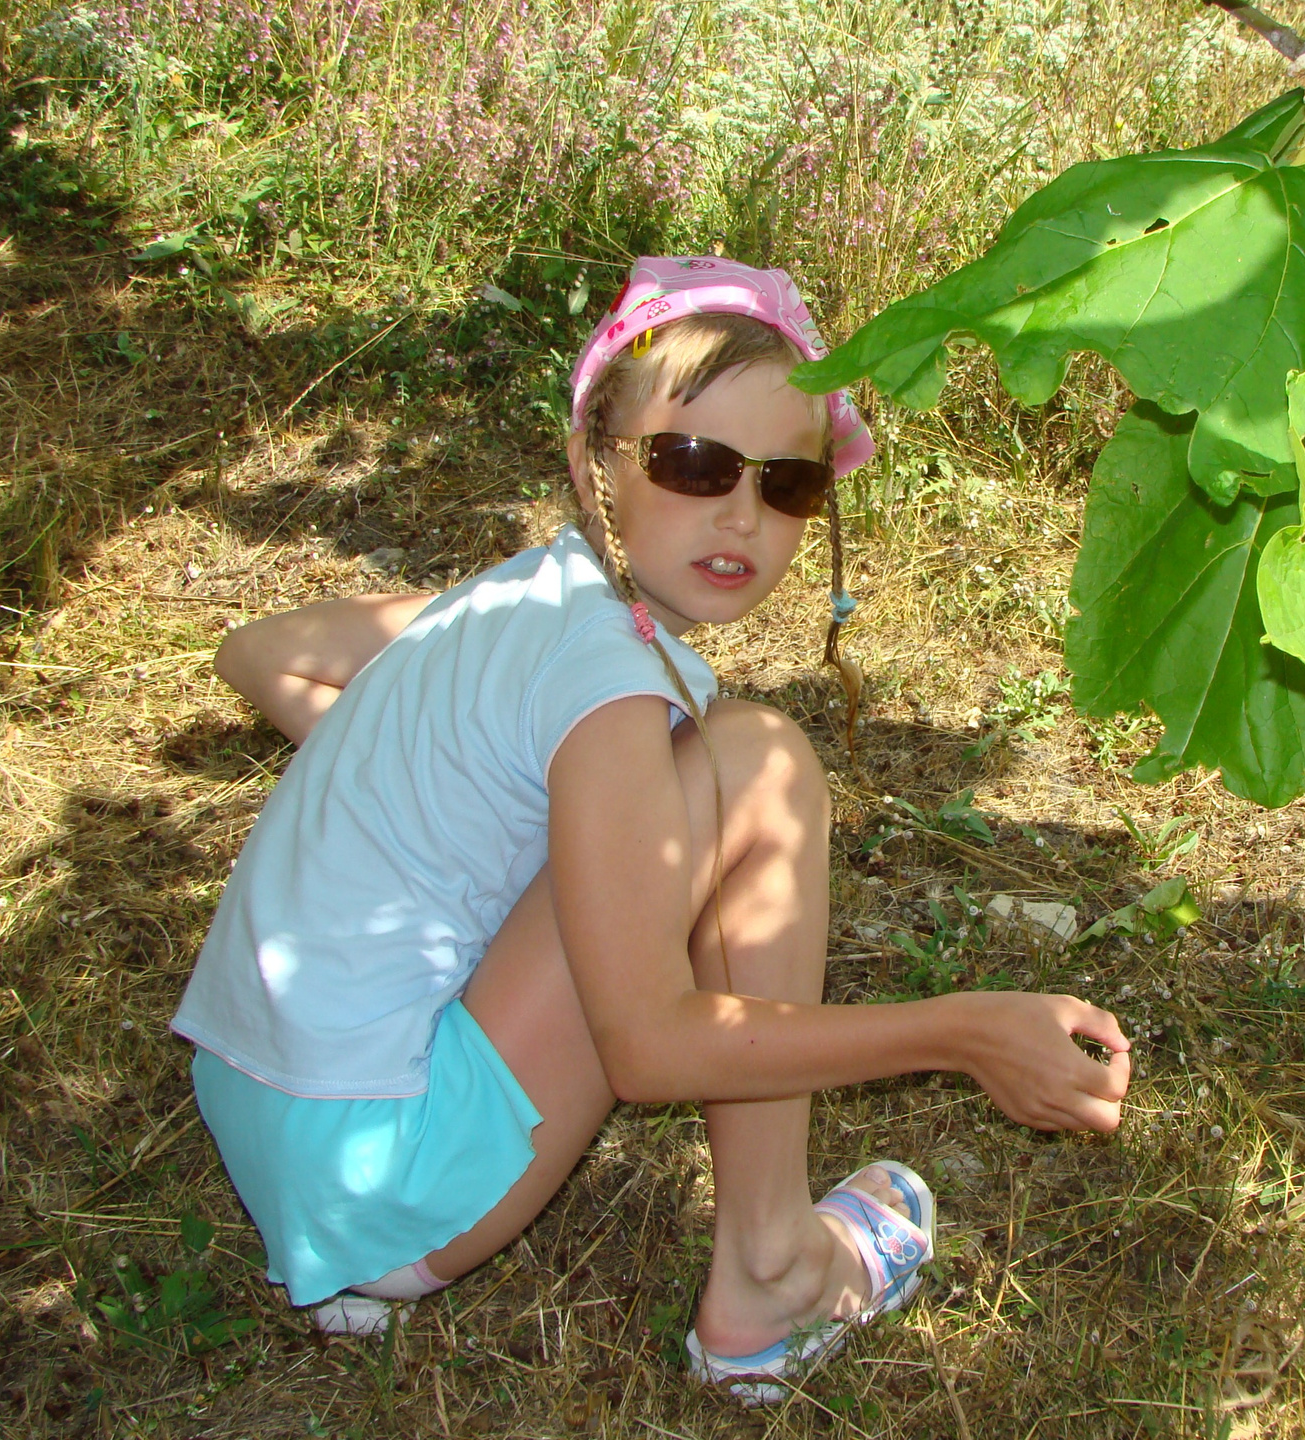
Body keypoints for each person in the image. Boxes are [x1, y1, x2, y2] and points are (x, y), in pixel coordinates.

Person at [174, 257, 1132, 1402]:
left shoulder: (511, 600)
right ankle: (772, 1269)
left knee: (692, 779)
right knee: (757, 761)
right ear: (597, 462)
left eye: (789, 485)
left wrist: (438, 809)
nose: (740, 515)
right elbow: (648, 1047)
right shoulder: (603, 672)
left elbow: (259, 650)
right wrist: (963, 1031)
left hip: (263, 1113)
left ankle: (734, 1253)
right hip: (390, 1185)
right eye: (692, 463)